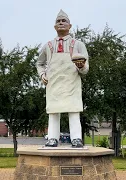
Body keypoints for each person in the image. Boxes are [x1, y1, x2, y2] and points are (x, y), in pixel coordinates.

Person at [36, 9, 89, 147]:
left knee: (73, 110)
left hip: (72, 82)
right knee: (53, 111)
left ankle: (76, 138)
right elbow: (39, 63)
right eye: (58, 21)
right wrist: (42, 74)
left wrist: (81, 66)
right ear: (54, 26)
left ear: (70, 25)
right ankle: (52, 138)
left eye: (64, 21)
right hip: (53, 83)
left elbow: (85, 68)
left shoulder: (78, 45)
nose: (61, 23)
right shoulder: (48, 46)